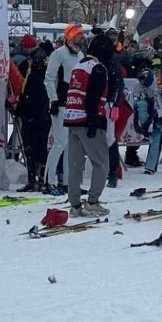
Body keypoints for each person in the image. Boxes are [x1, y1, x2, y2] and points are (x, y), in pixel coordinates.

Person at [62, 32, 117, 217]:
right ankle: (93, 201)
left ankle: (75, 204)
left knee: (75, 165)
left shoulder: (79, 64)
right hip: (89, 120)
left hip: (72, 118)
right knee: (101, 163)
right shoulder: (98, 68)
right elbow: (94, 96)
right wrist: (94, 120)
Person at [45, 23, 85, 194]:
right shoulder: (59, 53)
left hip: (75, 104)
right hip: (60, 103)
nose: (81, 37)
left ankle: (69, 183)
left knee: (72, 145)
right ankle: (49, 181)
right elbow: (49, 77)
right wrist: (53, 99)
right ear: (70, 36)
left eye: (81, 34)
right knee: (60, 143)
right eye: (78, 34)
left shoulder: (81, 54)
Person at [14, 36, 52, 191]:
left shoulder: (31, 72)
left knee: (30, 147)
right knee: (41, 147)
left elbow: (26, 92)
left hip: (32, 113)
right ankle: (41, 178)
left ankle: (33, 179)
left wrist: (19, 107)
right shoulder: (46, 69)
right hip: (43, 112)